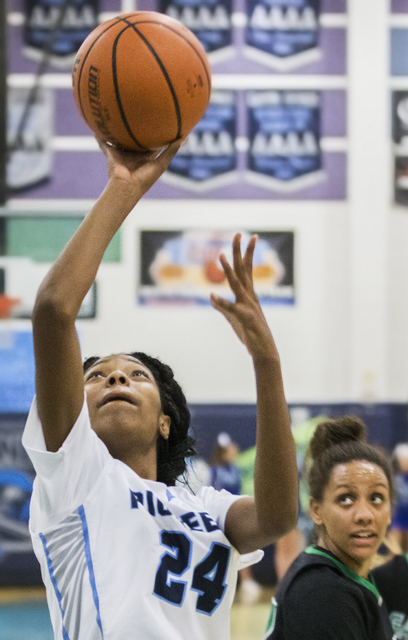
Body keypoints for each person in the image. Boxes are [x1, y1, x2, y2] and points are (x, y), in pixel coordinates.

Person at [21, 139, 298, 640]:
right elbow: (54, 310)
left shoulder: (207, 507)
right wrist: (123, 190)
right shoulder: (78, 478)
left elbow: (277, 516)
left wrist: (267, 362)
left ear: (164, 420)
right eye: (98, 376)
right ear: (77, 413)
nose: (116, 378)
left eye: (135, 375)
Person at [265, 416, 394, 640]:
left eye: (376, 497)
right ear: (316, 510)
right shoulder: (323, 592)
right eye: (345, 499)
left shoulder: (353, 576)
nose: (364, 515)